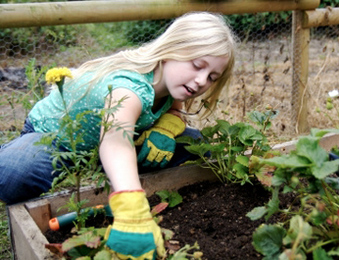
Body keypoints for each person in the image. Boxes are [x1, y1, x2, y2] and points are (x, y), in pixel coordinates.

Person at [0, 11, 237, 259]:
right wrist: (133, 211)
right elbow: (116, 141)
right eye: (197, 65)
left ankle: (115, 172)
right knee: (12, 173)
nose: (201, 81)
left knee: (200, 147)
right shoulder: (130, 87)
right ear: (170, 50)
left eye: (212, 77)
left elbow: (174, 108)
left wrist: (165, 129)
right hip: (58, 138)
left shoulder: (174, 84)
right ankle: (117, 175)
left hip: (113, 141)